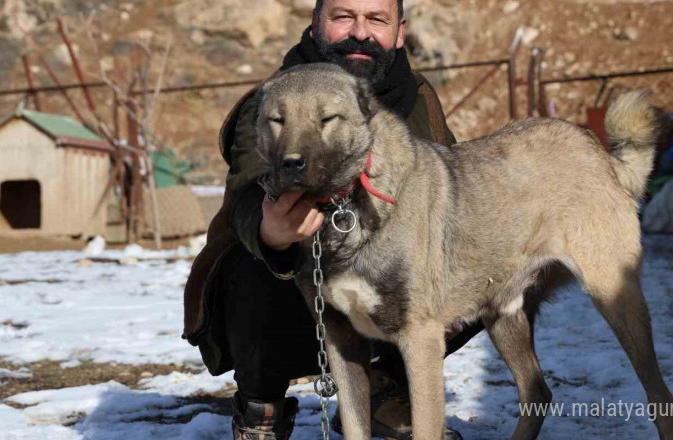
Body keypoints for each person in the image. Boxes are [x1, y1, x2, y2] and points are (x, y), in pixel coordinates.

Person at [182, 0, 483, 438]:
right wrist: (269, 232)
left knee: (481, 258)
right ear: (316, 24)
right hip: (295, 307)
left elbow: (451, 190)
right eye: (343, 16)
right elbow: (247, 190)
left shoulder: (418, 99)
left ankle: (380, 388)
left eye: (376, 19)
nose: (359, 32)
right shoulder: (274, 99)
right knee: (256, 264)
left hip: (389, 288)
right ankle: (260, 408)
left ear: (399, 32)